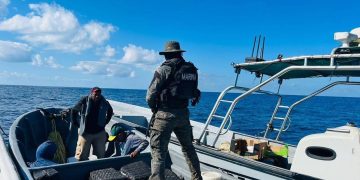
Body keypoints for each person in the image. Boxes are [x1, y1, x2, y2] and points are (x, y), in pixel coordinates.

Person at [146, 41, 202, 180]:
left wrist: (153, 107)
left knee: (158, 152)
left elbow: (150, 94)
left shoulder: (164, 69)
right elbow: (195, 91)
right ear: (180, 53)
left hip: (164, 114)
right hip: (183, 114)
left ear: (167, 55)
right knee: (189, 149)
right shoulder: (191, 69)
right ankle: (197, 178)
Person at [71, 87, 113, 161]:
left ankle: (98, 169)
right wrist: (76, 123)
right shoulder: (84, 100)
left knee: (100, 155)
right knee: (81, 156)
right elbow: (74, 110)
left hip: (99, 132)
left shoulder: (104, 101)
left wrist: (105, 122)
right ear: (91, 93)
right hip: (85, 133)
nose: (97, 96)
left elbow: (110, 111)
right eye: (95, 94)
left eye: (99, 95)